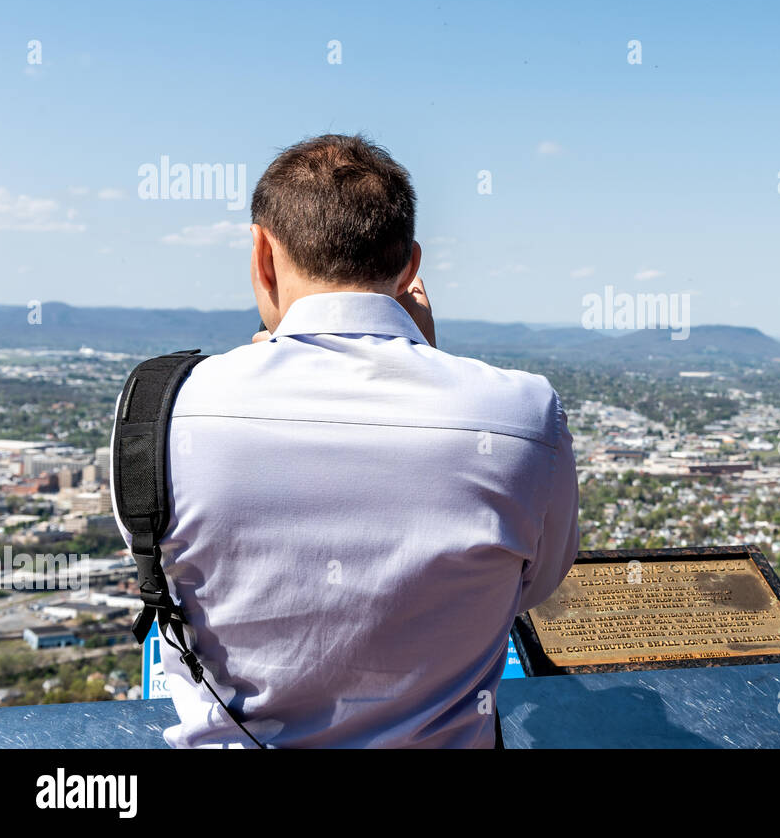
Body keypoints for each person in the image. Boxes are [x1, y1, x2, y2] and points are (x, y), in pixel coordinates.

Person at [111, 134, 579, 747]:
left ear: (262, 254)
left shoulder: (158, 409)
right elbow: (532, 582)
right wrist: (427, 362)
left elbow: (163, 564)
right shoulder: (523, 415)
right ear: (411, 264)